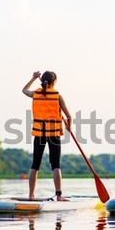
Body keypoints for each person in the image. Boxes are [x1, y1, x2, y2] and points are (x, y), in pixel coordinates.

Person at [22, 71, 72, 201]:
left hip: (39, 133)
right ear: (54, 82)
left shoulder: (35, 94)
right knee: (56, 165)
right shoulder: (58, 96)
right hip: (54, 134)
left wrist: (32, 78)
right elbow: (69, 117)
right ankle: (59, 195)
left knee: (35, 164)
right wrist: (69, 127)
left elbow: (24, 90)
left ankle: (31, 195)